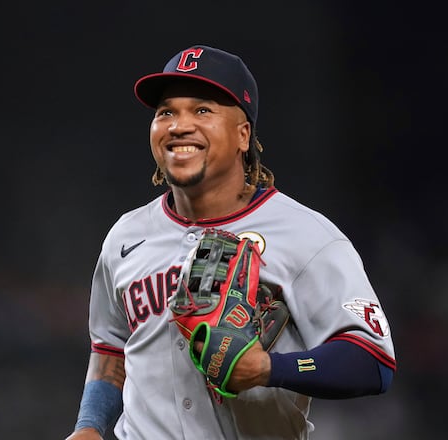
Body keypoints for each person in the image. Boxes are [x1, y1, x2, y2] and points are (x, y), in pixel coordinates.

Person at [65, 44, 396, 440]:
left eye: (202, 110)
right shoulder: (126, 236)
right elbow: (111, 347)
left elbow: (372, 360)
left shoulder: (307, 235)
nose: (179, 125)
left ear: (243, 135)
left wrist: (270, 368)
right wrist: (89, 426)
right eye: (166, 112)